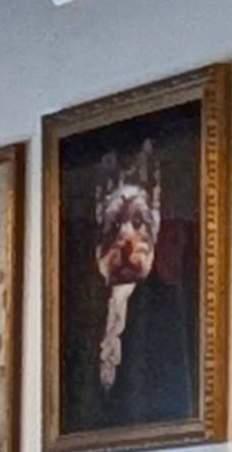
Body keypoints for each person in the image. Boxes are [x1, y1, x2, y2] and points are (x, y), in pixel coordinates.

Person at [67, 146, 197, 436]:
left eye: (137, 224)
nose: (126, 241)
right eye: (115, 226)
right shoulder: (85, 311)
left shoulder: (164, 304)